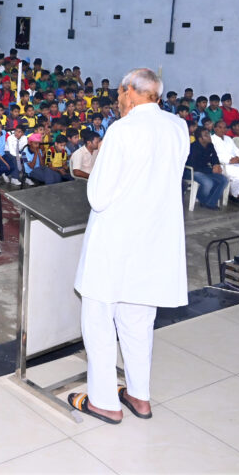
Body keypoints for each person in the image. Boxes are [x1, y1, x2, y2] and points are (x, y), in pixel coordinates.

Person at [69, 68, 189, 425]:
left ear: (130, 92)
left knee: (99, 320)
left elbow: (98, 196)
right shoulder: (178, 127)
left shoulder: (122, 130)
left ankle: (104, 401)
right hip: (154, 240)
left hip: (116, 240)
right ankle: (139, 395)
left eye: (120, 94)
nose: (119, 100)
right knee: (138, 321)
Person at [185, 129, 228, 210]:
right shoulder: (193, 147)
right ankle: (201, 198)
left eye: (209, 134)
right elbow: (195, 166)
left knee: (224, 180)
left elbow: (214, 157)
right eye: (206, 135)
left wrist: (216, 165)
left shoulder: (210, 145)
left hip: (204, 170)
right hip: (191, 171)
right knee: (208, 182)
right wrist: (212, 170)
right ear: (200, 138)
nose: (209, 136)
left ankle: (210, 203)